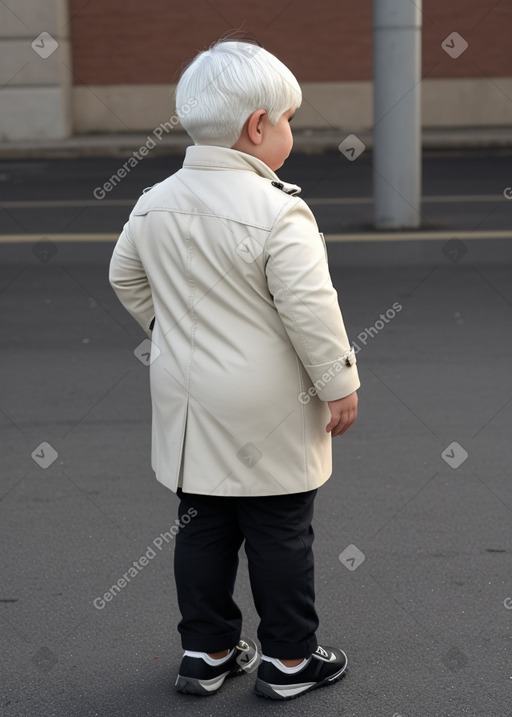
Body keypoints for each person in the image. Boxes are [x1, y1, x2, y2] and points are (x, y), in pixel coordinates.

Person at [109, 36, 360, 701]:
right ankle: (288, 658)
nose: (291, 133)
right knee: (279, 530)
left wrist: (167, 331)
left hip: (189, 401)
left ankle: (208, 648)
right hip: (267, 404)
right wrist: (339, 382)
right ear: (257, 127)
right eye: (288, 120)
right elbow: (312, 310)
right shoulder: (279, 211)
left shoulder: (154, 200)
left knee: (203, 524)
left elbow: (125, 276)